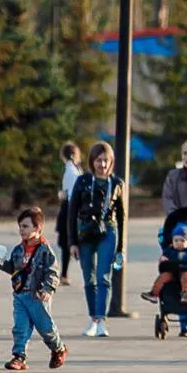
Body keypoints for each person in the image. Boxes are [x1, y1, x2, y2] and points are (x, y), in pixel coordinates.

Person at [0, 205, 67, 371]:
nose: (21, 230)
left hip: (38, 296)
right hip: (20, 295)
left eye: (25, 226)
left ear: (38, 228)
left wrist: (48, 289)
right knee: (20, 327)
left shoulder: (45, 251)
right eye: (20, 226)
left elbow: (52, 272)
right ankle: (19, 357)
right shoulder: (19, 249)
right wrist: (1, 262)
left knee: (45, 328)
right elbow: (13, 268)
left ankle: (58, 348)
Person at [69, 143, 126, 338]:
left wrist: (121, 248)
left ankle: (100, 320)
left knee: (104, 276)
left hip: (108, 230)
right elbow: (72, 212)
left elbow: (122, 217)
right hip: (85, 231)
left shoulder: (117, 183)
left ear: (111, 162)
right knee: (89, 278)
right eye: (98, 160)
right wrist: (72, 242)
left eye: (106, 160)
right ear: (92, 161)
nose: (102, 164)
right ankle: (93, 318)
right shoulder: (83, 181)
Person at [141, 221, 187, 327]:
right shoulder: (170, 251)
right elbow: (164, 258)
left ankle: (186, 292)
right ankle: (154, 294)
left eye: (182, 240)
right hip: (173, 273)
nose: (179, 243)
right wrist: (163, 259)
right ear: (172, 241)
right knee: (163, 277)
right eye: (176, 240)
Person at [56, 142, 84, 284]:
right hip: (72, 207)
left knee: (68, 241)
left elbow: (71, 193)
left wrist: (62, 195)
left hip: (69, 208)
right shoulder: (75, 169)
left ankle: (65, 274)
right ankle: (64, 274)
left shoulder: (70, 171)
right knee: (68, 243)